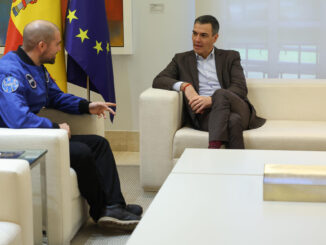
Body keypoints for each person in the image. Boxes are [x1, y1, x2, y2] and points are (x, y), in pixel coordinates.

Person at [0, 20, 142, 231]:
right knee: (82, 151)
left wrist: (87, 106)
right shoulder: (9, 72)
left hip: (42, 137)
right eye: (57, 44)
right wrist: (54, 128)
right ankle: (101, 210)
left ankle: (114, 205)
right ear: (41, 45)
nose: (59, 49)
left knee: (99, 144)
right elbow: (17, 119)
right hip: (17, 142)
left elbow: (55, 97)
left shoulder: (37, 67)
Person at [153, 15, 265, 149]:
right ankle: (237, 168)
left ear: (215, 38)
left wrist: (211, 100)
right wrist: (185, 86)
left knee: (220, 94)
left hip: (237, 107)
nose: (197, 39)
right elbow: (159, 80)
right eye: (194, 33)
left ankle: (212, 150)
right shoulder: (181, 59)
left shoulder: (231, 57)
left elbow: (239, 88)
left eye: (203, 35)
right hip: (204, 115)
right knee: (233, 121)